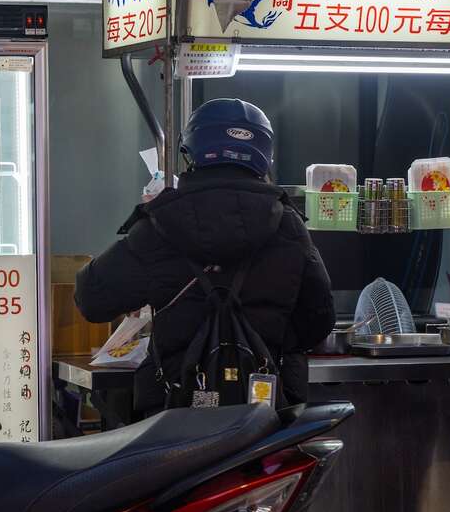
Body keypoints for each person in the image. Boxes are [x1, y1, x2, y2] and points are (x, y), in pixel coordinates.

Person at [76, 98, 335, 416]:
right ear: (265, 156)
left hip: (173, 412)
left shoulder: (161, 223)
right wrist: (266, 333)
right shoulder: (289, 226)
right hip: (266, 413)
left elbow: (91, 299)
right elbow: (319, 320)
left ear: (190, 152)